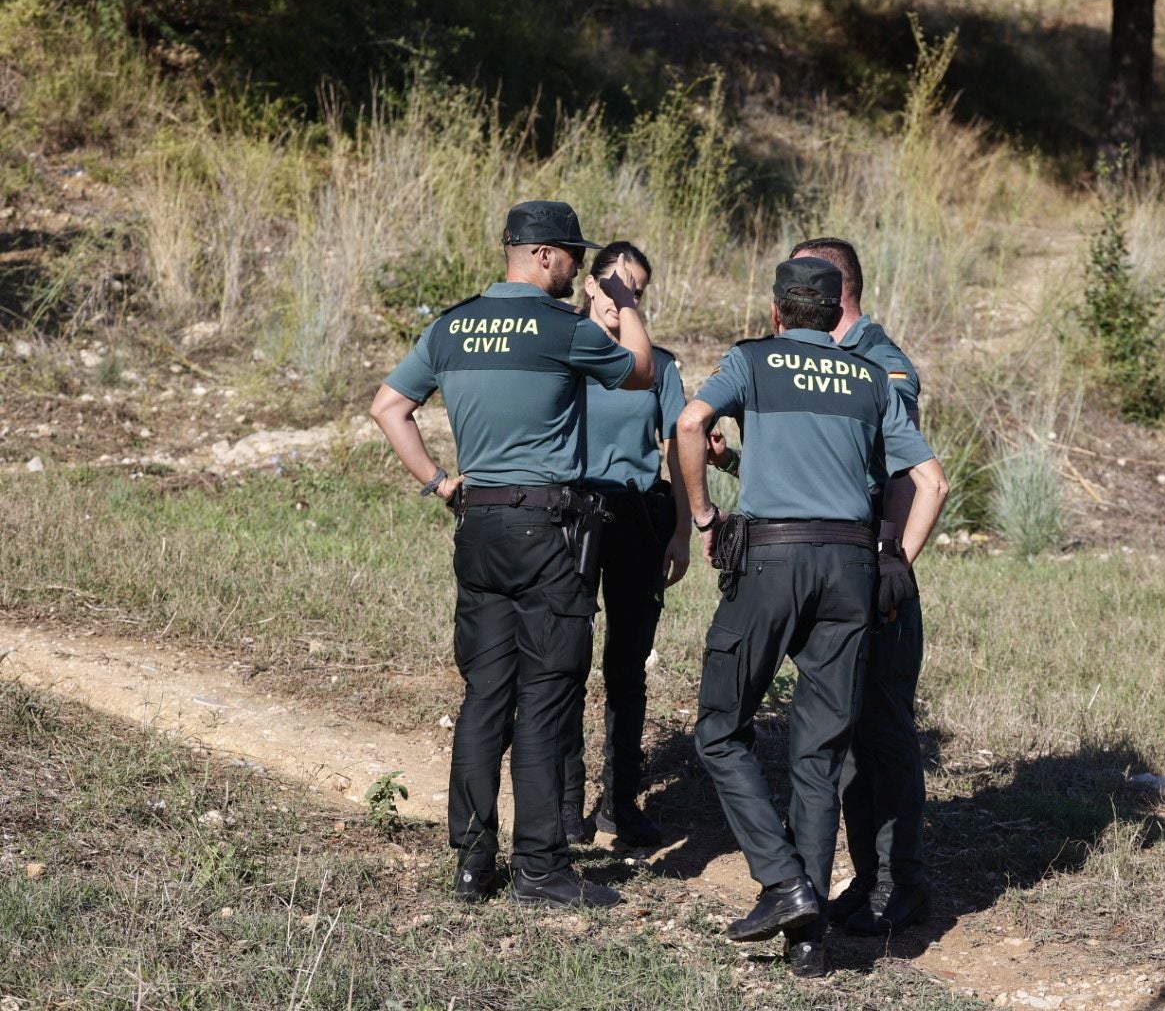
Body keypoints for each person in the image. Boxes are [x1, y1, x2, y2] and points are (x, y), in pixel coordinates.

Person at [370, 200, 653, 911]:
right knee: (548, 695)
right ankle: (540, 870)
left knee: (485, 696)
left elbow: (387, 409)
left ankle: (472, 863)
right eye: (574, 258)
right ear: (545, 255)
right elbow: (641, 373)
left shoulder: (453, 324)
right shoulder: (561, 329)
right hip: (549, 531)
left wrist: (439, 481)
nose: (577, 271)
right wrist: (623, 302)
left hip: (479, 525)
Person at [674, 256, 948, 977]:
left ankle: (784, 880)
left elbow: (690, 420)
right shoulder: (867, 378)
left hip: (770, 564)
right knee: (821, 755)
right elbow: (931, 481)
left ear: (776, 313)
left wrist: (704, 515)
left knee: (720, 728)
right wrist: (900, 560)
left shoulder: (751, 361)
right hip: (852, 569)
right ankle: (808, 940)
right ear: (836, 315)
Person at [559, 241, 690, 848]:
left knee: (627, 666)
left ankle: (621, 800)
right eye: (613, 285)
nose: (619, 300)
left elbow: (680, 449)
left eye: (633, 291)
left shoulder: (659, 366)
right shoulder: (564, 352)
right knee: (565, 661)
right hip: (574, 515)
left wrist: (685, 530)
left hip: (640, 517)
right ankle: (564, 804)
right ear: (589, 285)